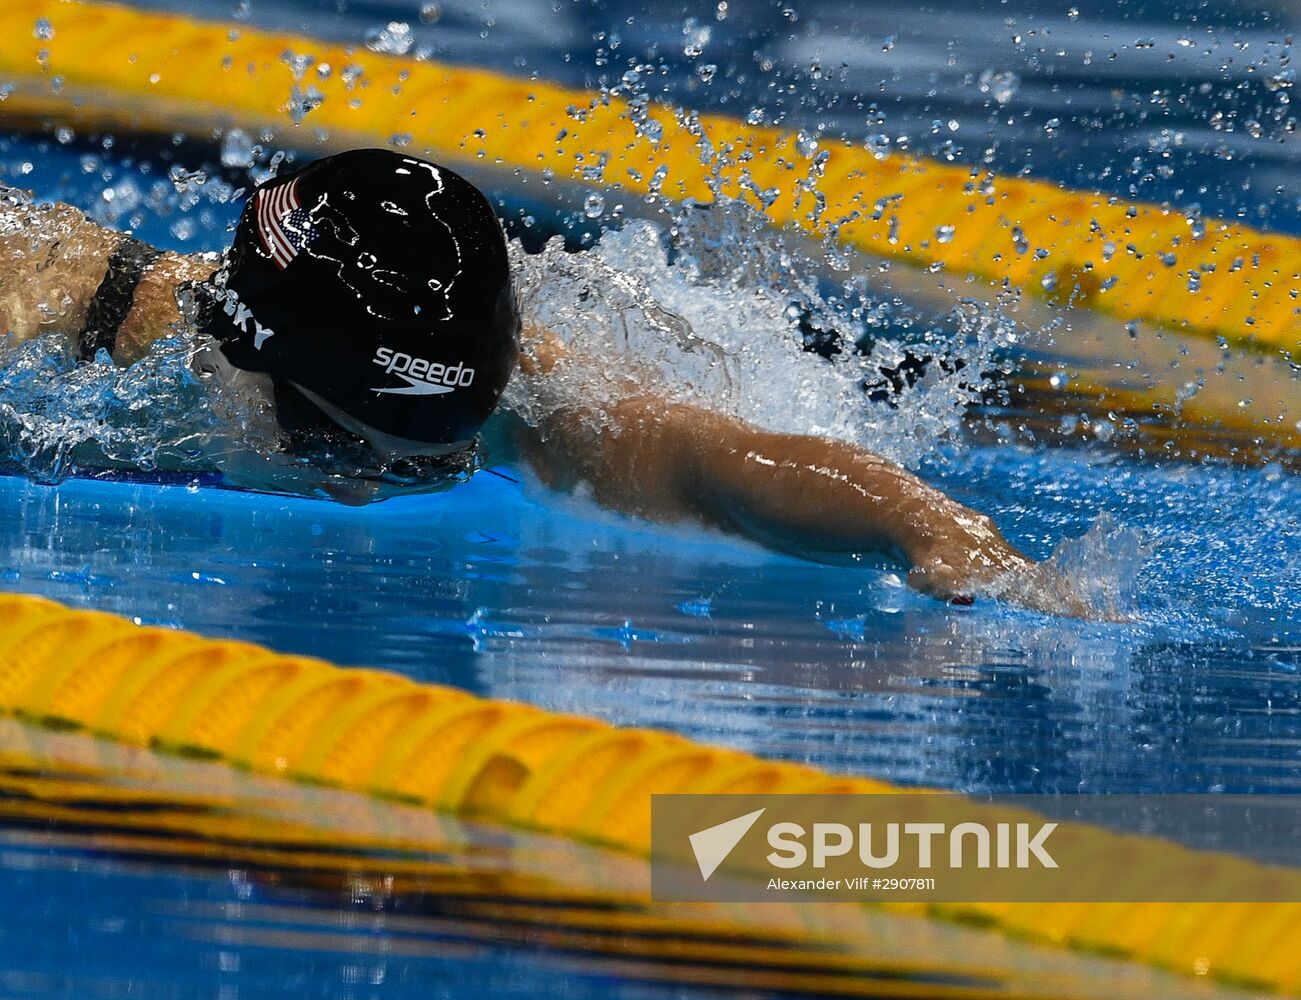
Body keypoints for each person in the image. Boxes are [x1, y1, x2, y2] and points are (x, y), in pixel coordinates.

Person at [0, 148, 1084, 614]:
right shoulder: (30, 321)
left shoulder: (501, 375)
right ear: (236, 354)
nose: (359, 489)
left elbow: (696, 459)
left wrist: (926, 524)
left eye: (432, 463)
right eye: (336, 445)